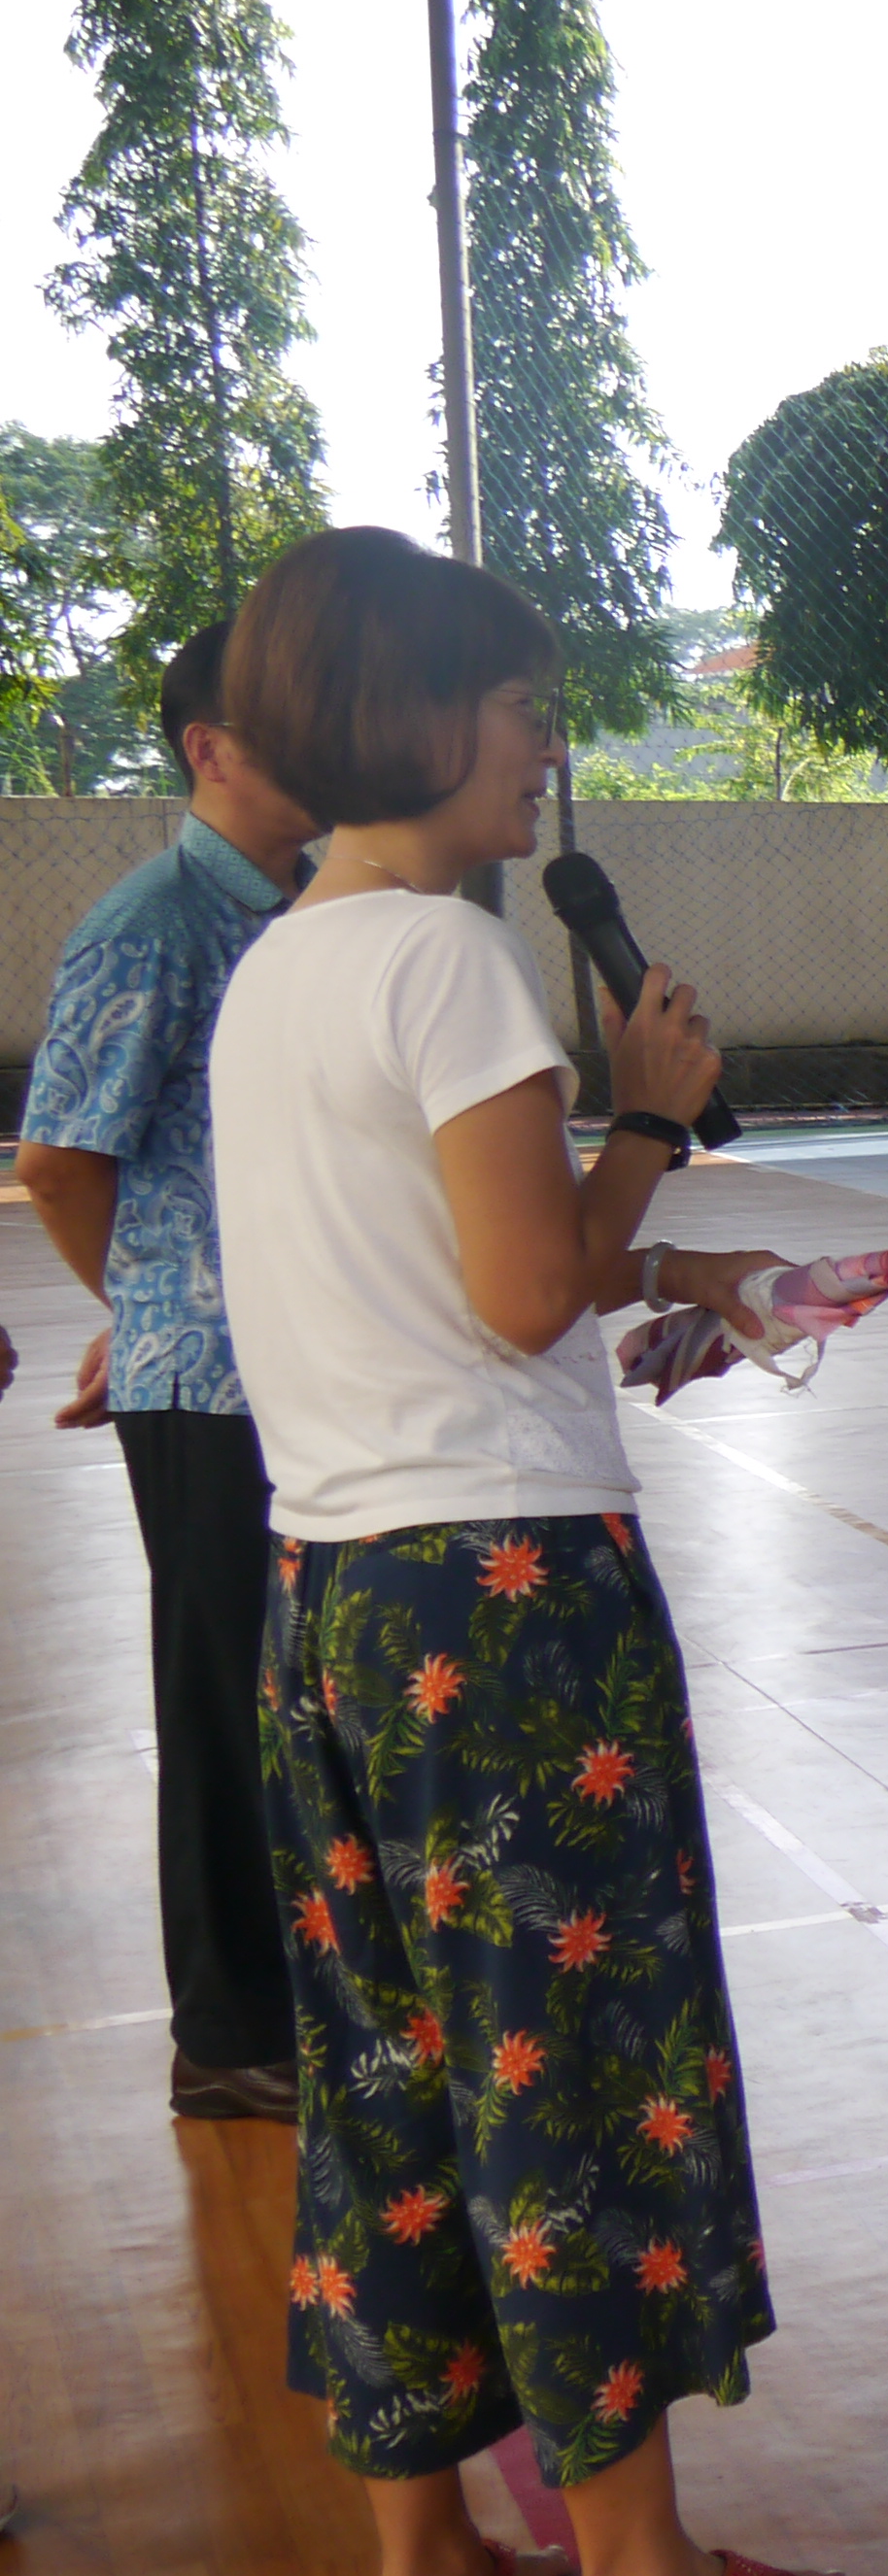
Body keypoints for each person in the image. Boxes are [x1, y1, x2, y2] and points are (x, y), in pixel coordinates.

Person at [208, 527, 863, 2576]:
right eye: (516, 706)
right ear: (404, 712)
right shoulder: (449, 962)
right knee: (561, 2069)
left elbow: (430, 1283)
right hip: (503, 1607)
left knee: (390, 2078)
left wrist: (650, 1266)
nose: (543, 748)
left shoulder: (278, 966)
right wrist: (651, 1113)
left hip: (332, 1598)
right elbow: (522, 1293)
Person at [14, 618, 326, 2122]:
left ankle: (304, 1992)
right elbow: (61, 1159)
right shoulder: (154, 924)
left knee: (297, 1692)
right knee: (220, 1697)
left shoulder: (313, 909)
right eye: (286, 721)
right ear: (208, 749)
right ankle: (228, 2029)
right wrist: (144, 1307)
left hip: (303, 1373)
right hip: (203, 1385)